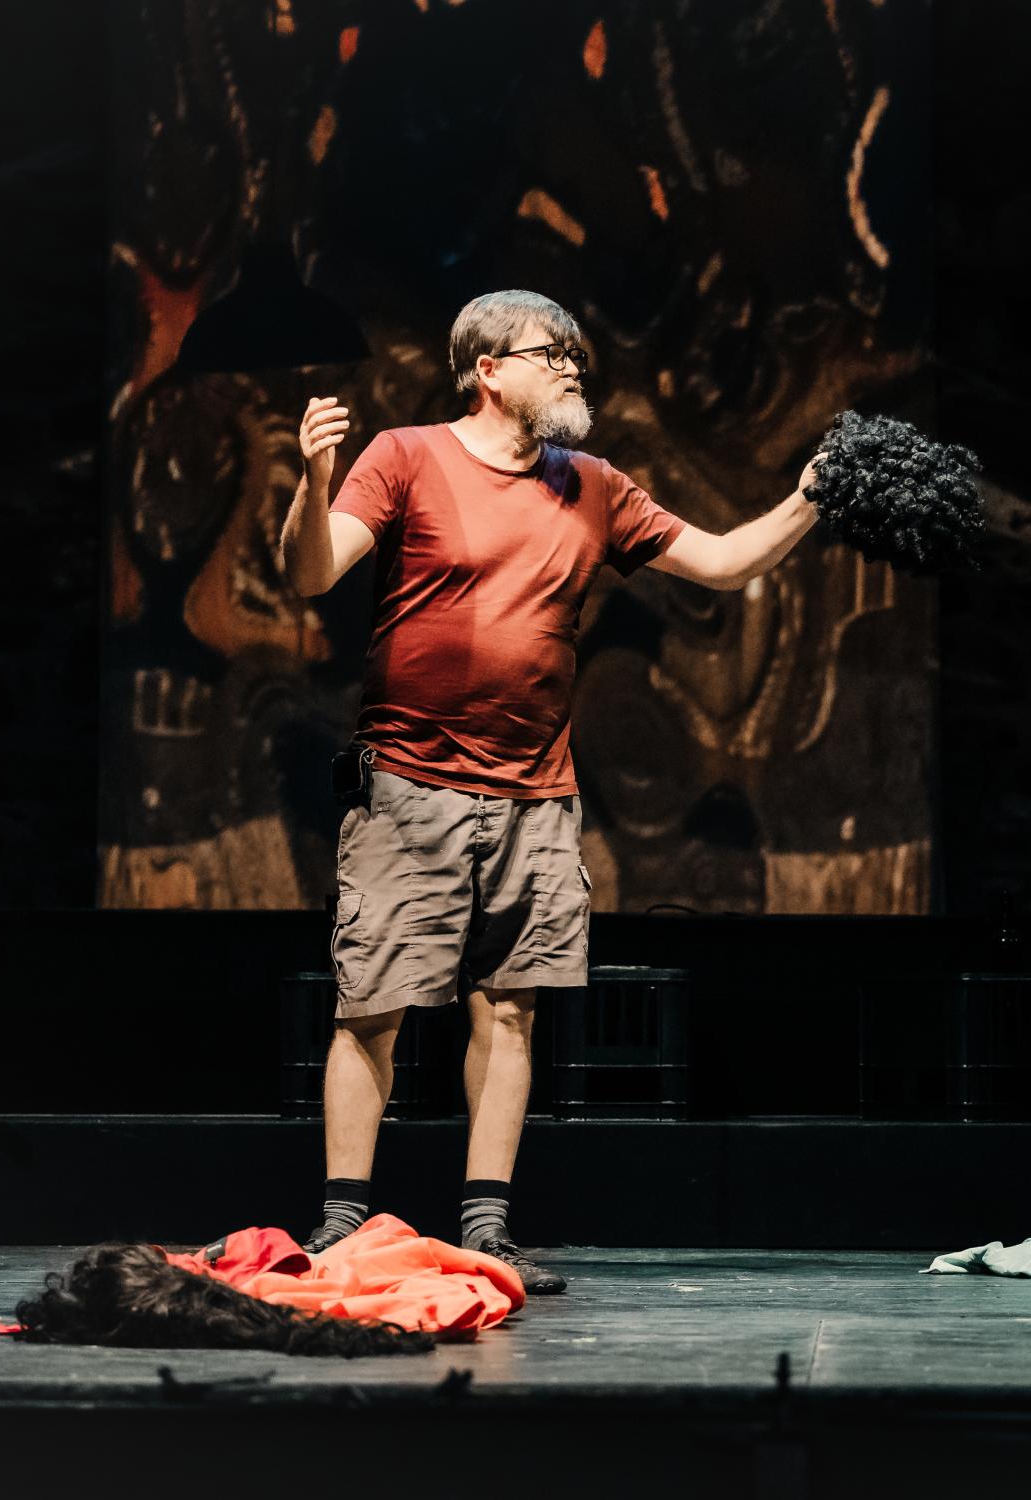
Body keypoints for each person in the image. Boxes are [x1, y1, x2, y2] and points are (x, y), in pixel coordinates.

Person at [277, 289, 821, 1292]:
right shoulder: (405, 456)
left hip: (535, 794)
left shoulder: (592, 484)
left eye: (576, 352)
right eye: (551, 352)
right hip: (410, 785)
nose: (573, 367)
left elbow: (719, 564)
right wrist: (313, 482)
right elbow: (313, 572)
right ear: (486, 369)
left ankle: (485, 1228)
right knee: (373, 1008)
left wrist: (811, 496)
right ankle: (341, 1223)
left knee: (510, 1013)